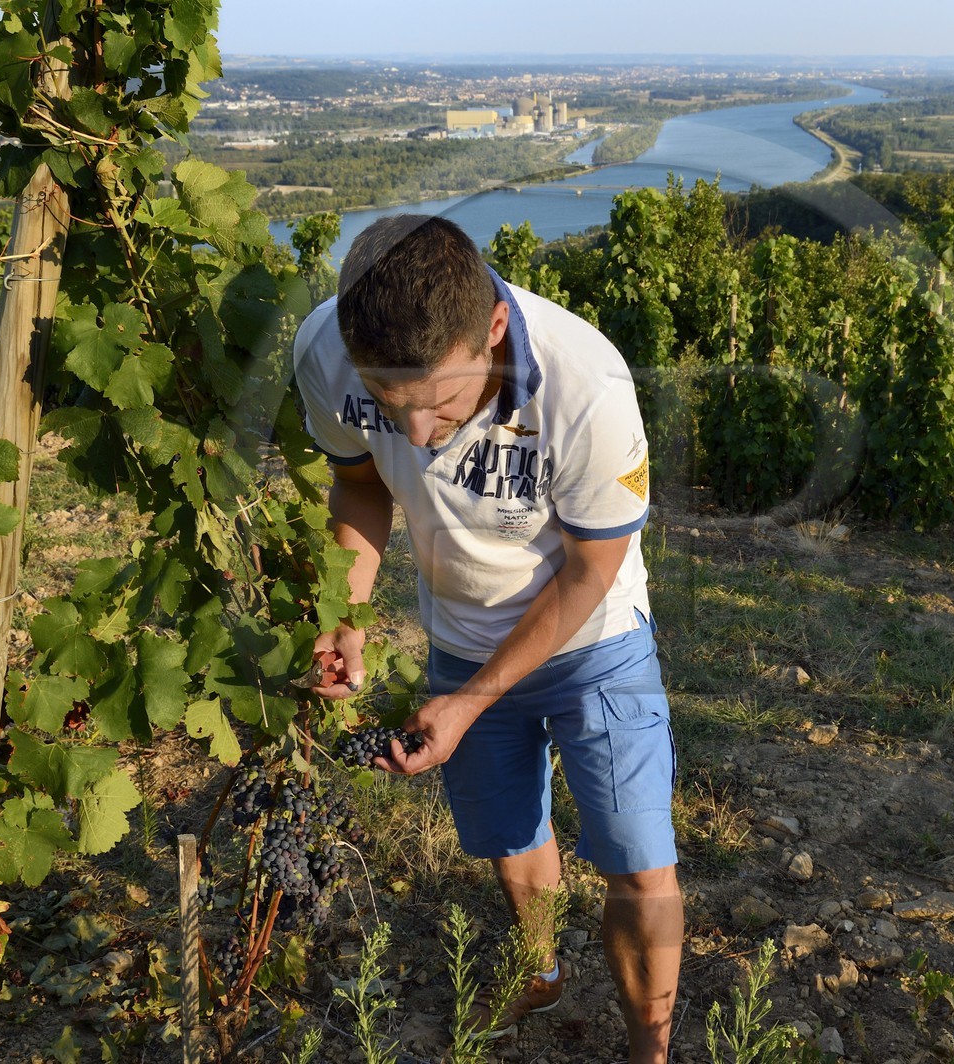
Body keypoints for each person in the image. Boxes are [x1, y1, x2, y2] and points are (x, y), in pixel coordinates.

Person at [292, 214, 682, 1064]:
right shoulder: (325, 348)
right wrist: (345, 617)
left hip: (595, 640)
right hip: (460, 637)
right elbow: (360, 488)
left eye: (441, 404)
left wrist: (467, 702)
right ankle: (539, 969)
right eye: (396, 409)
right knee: (510, 838)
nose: (423, 439)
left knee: (638, 860)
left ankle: (649, 1051)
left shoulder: (588, 385)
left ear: (494, 329)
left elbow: (589, 572)